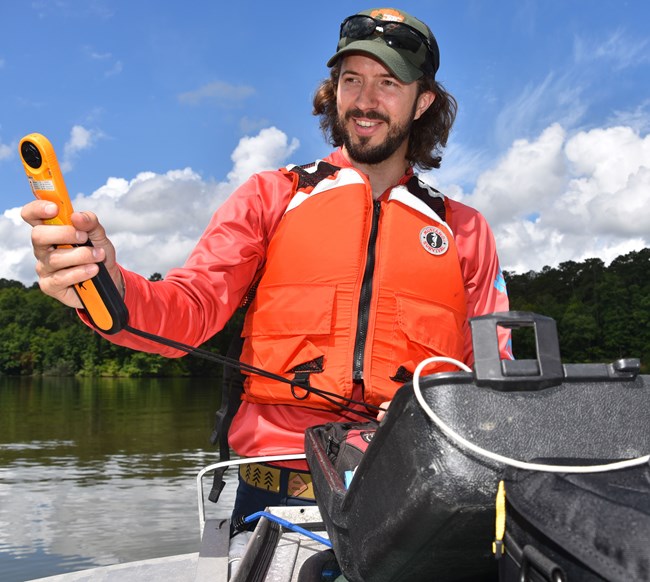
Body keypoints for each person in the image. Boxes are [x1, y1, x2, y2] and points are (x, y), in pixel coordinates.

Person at [21, 7, 510, 527]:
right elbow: (189, 308)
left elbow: (495, 381)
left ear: (422, 102)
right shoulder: (270, 195)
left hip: (419, 501)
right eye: (351, 80)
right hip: (279, 504)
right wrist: (106, 285)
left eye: (388, 82)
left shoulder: (466, 229)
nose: (365, 101)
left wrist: (443, 414)